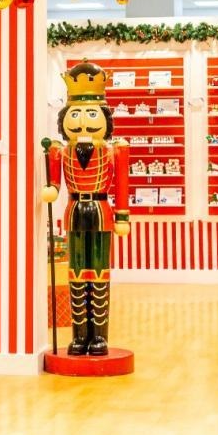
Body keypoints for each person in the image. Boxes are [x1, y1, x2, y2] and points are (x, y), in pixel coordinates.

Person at [42, 61, 131, 357]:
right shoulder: (60, 150)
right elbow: (54, 182)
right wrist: (51, 189)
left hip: (102, 212)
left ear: (105, 118)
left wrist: (122, 216)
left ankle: (99, 336)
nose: (82, 121)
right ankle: (79, 335)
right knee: (77, 272)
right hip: (74, 212)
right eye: (76, 114)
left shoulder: (115, 149)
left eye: (91, 114)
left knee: (100, 272)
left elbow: (122, 185)